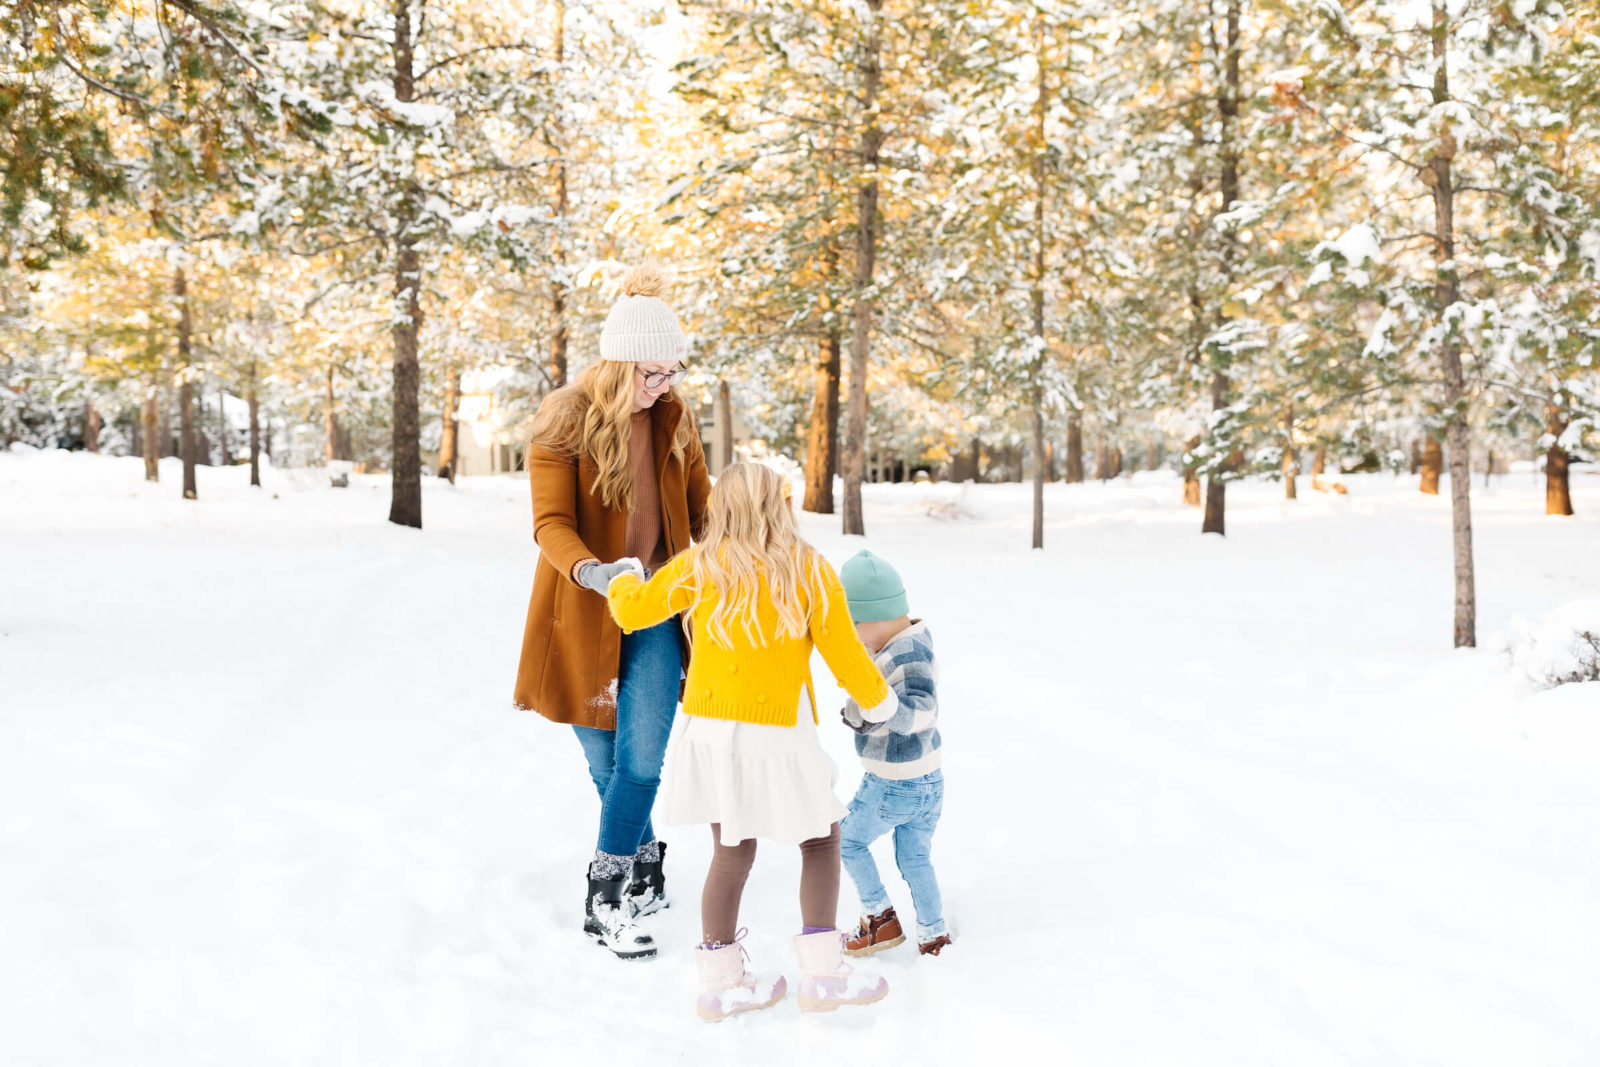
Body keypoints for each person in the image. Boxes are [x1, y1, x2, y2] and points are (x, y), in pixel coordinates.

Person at [605, 463, 898, 1020]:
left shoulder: (699, 564)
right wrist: (881, 704)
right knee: (820, 841)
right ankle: (823, 976)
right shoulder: (807, 568)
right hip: (778, 732)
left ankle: (721, 986)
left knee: (731, 852)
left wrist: (621, 578)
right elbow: (845, 656)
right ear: (777, 507)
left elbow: (632, 611)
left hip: (710, 733)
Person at [513, 265, 711, 961]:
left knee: (641, 759)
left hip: (655, 607)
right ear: (620, 363)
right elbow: (550, 523)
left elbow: (704, 508)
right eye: (652, 373)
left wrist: (741, 546)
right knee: (606, 764)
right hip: (582, 611)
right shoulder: (564, 419)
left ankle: (605, 899)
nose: (664, 385)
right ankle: (646, 862)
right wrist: (592, 571)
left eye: (671, 371)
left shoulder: (673, 417)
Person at [837, 550, 951, 957]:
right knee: (915, 858)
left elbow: (920, 710)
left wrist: (879, 707)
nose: (855, 639)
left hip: (894, 782)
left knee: (845, 841)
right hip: (928, 781)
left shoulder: (906, 655)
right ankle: (934, 933)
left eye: (853, 629)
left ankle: (879, 919)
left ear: (870, 618)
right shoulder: (909, 642)